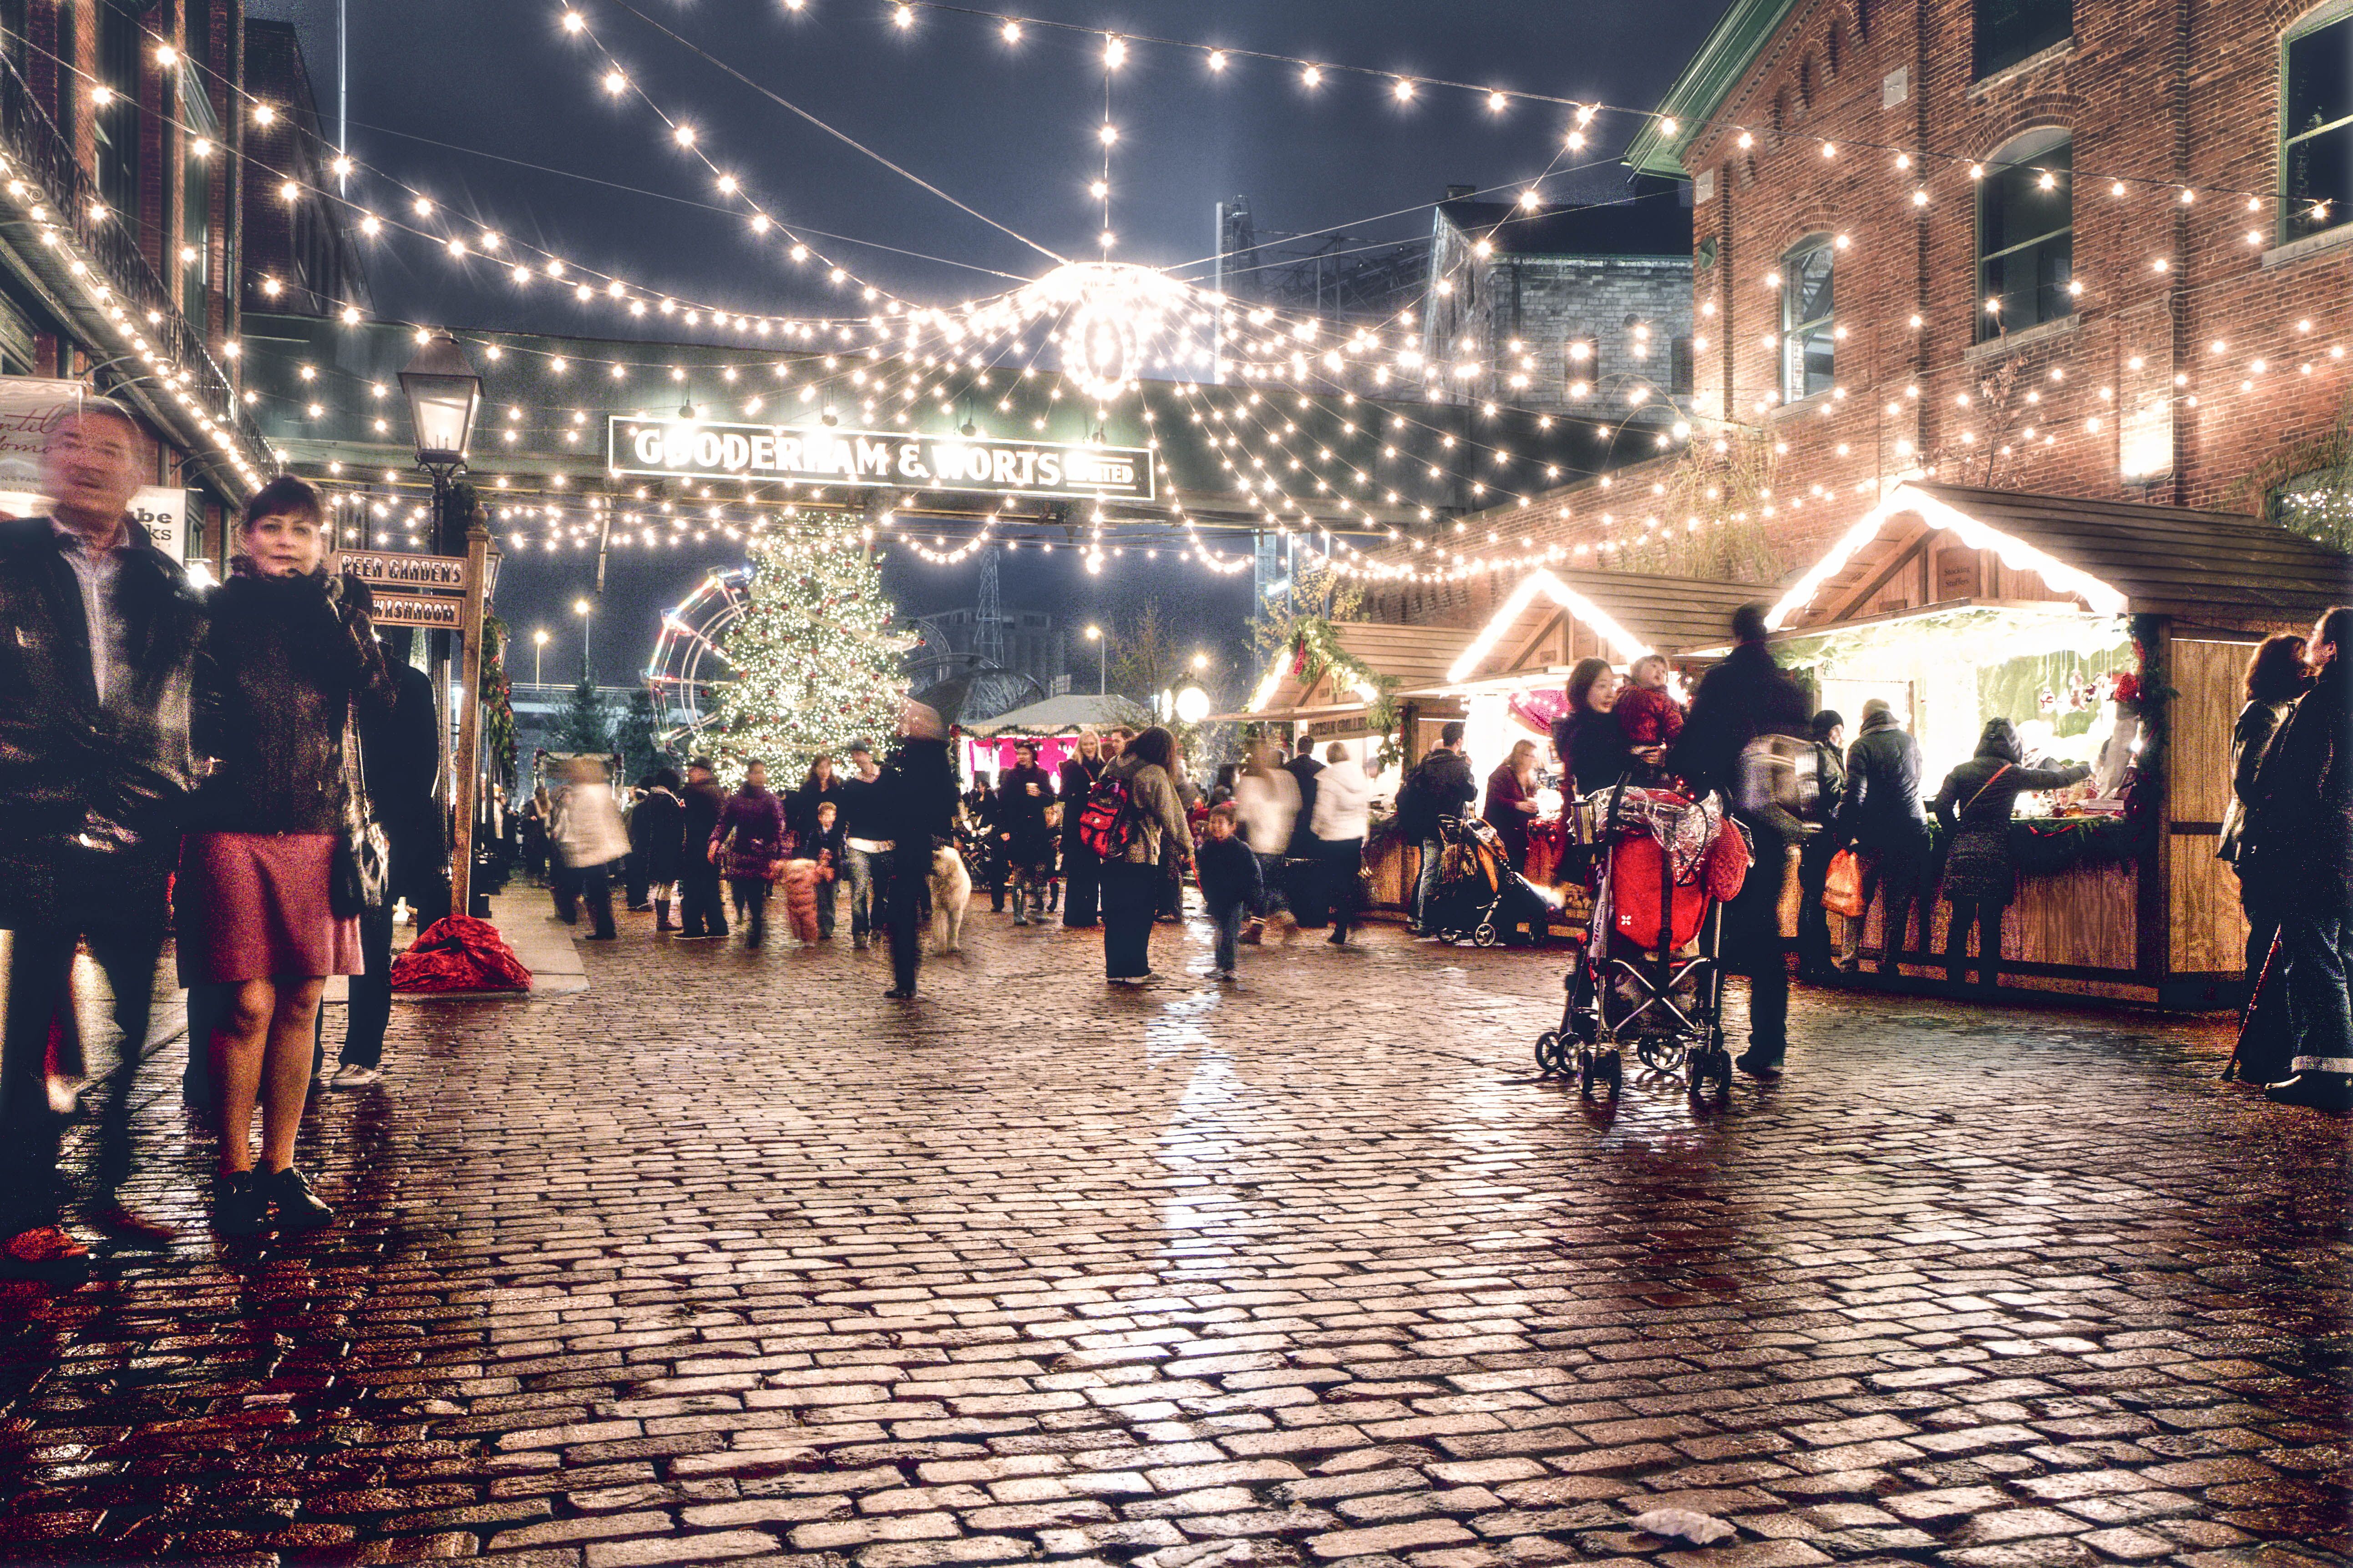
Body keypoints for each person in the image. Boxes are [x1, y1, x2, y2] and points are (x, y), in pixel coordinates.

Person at [0, 400, 206, 1278]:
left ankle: (108, 1185)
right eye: (71, 443)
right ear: (47, 463)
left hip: (138, 823)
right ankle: (25, 1213)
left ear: (139, 472)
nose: (87, 459)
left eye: (109, 448)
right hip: (35, 815)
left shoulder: (163, 582)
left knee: (133, 1018)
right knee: (34, 1022)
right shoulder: (8, 560)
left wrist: (173, 794)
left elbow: (189, 703)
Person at [178, 475, 395, 1237]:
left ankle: (283, 1163)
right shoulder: (210, 615)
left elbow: (378, 692)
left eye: (302, 530)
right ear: (246, 537)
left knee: (303, 1000)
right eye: (271, 526)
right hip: (228, 822)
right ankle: (233, 1168)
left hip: (318, 823)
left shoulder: (341, 613)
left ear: (323, 543)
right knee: (247, 1002)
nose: (285, 540)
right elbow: (181, 715)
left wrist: (340, 606)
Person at [1668, 603, 1810, 1077]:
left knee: (1718, 927)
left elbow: (1692, 749)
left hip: (1728, 823)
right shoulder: (1789, 689)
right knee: (1766, 932)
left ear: (1734, 632)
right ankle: (1769, 1042)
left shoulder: (1723, 682)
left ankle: (1711, 1033)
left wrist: (1690, 773)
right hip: (1774, 823)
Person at [2243, 607, 2353, 1110]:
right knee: (2338, 955)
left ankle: (2322, 1070)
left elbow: (2293, 784)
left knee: (2314, 959)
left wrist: (2277, 836)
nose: (2309, 643)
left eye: (2315, 636)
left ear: (2331, 648)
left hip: (2315, 850)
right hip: (2342, 849)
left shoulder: (2323, 702)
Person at [335, 625, 447, 1090]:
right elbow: (426, 769)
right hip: (377, 830)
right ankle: (356, 1054)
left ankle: (346, 1050)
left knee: (360, 946)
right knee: (367, 948)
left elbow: (424, 768)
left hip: (367, 830)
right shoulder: (410, 681)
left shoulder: (398, 681)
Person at [1930, 718, 2092, 996]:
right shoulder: (2012, 773)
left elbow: (1942, 806)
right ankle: (1987, 987)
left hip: (1962, 852)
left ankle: (1954, 984)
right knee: (1991, 923)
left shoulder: (1960, 771)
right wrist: (2085, 769)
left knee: (1960, 922)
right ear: (2013, 745)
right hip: (1995, 854)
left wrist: (1957, 832)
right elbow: (2056, 780)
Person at [2219, 635, 2310, 986]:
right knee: (2268, 932)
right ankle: (2257, 1025)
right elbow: (2249, 781)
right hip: (2260, 837)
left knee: (2272, 931)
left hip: (2262, 834)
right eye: (2303, 666)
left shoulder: (2281, 708)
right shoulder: (2267, 712)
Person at [1838, 698, 1932, 976]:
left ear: (1865, 719)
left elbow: (1855, 794)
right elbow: (1915, 781)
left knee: (1859, 896)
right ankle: (1889, 962)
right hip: (1911, 830)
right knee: (1898, 899)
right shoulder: (1909, 741)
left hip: (1874, 833)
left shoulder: (1861, 746)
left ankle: (1849, 960)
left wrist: (1844, 833)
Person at [875, 703, 960, 1000]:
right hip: (906, 843)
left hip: (913, 844)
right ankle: (905, 978)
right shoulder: (912, 752)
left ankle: (906, 979)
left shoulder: (930, 757)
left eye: (916, 719)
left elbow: (943, 802)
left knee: (901, 911)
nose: (910, 722)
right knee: (900, 911)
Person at [1100, 726, 1195, 984]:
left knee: (1116, 913)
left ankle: (1116, 971)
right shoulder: (1153, 773)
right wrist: (1188, 846)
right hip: (1138, 851)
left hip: (1108, 851)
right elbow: (1172, 814)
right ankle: (1136, 971)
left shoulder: (1113, 764)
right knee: (1139, 912)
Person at [1403, 723, 1477, 935]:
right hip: (1452, 830)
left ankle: (1424, 922)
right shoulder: (1460, 766)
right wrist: (1469, 769)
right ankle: (1450, 920)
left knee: (1429, 872)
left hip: (1428, 827)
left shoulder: (1427, 764)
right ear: (1459, 741)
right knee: (1454, 874)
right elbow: (1471, 795)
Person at [1794, 711, 1848, 983]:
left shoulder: (1831, 754)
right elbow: (1808, 795)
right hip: (1817, 836)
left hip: (1826, 835)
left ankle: (1819, 961)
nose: (1842, 735)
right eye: (1839, 729)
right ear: (1832, 730)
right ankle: (1812, 963)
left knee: (1817, 900)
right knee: (1813, 899)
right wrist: (1820, 827)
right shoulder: (1811, 751)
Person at [554, 756, 629, 940]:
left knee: (586, 890)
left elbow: (588, 823)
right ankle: (603, 928)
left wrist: (581, 848)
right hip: (600, 850)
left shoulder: (588, 793)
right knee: (598, 892)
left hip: (591, 851)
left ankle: (594, 925)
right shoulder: (600, 790)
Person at [714, 759, 787, 948]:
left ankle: (756, 928)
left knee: (756, 894)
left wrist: (779, 853)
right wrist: (715, 841)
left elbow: (779, 828)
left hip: (761, 852)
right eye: (756, 773)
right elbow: (725, 822)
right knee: (738, 889)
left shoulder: (771, 800)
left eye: (762, 773)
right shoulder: (737, 799)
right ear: (749, 775)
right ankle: (741, 910)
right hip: (741, 851)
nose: (760, 776)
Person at [1233, 740, 1302, 939]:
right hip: (1279, 843)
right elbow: (1295, 809)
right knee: (1268, 886)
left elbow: (1243, 818)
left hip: (1259, 844)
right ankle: (1258, 929)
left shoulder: (1250, 782)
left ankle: (1283, 915)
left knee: (1260, 888)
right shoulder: (1287, 779)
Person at [1310, 743, 1375, 946]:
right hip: (1355, 837)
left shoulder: (1329, 778)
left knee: (1336, 885)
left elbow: (1324, 811)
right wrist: (1364, 833)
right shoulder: (1359, 775)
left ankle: (1341, 928)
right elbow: (1365, 808)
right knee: (1349, 881)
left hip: (1334, 838)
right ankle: (1349, 918)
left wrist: (1316, 829)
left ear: (1330, 757)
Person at [1196, 802, 1263, 981]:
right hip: (1217, 898)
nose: (1215, 826)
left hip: (1234, 899)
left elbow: (1251, 875)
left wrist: (1249, 898)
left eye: (1221, 822)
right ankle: (1221, 965)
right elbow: (1205, 874)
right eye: (1212, 822)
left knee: (1229, 932)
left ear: (1232, 827)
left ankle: (1229, 967)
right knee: (1220, 932)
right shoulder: (1208, 848)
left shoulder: (1241, 849)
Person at [1552, 658, 1637, 795]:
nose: (1610, 694)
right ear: (1582, 689)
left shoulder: (1616, 721)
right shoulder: (1581, 731)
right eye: (1602, 686)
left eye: (1612, 686)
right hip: (1606, 810)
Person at [997, 742, 1057, 925]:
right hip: (1019, 826)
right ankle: (1019, 912)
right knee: (1020, 869)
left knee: (1040, 868)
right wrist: (1004, 829)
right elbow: (1003, 802)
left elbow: (1051, 799)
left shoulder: (1042, 774)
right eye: (1019, 753)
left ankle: (1039, 909)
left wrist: (1040, 794)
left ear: (1032, 755)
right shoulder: (1011, 775)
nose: (1021, 757)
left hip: (1038, 827)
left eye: (1025, 753)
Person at [838, 740, 887, 950]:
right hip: (858, 842)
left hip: (886, 844)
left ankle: (877, 925)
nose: (857, 758)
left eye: (860, 753)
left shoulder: (889, 778)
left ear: (869, 755)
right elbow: (844, 815)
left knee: (882, 891)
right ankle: (859, 931)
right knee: (859, 890)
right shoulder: (850, 786)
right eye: (854, 755)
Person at [1060, 729, 1108, 928]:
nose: (1089, 748)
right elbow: (1063, 794)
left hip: (1096, 824)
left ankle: (1088, 914)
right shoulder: (1072, 766)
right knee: (1077, 869)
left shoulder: (1104, 767)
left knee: (1093, 870)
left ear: (1097, 745)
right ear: (1081, 746)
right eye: (1086, 744)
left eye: (1092, 744)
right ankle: (1073, 915)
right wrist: (1084, 792)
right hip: (1077, 823)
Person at [677, 758, 729, 940]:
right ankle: (718, 926)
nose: (689, 773)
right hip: (710, 846)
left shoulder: (696, 792)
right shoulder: (716, 791)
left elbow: (687, 818)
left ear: (704, 772)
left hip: (697, 845)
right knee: (710, 888)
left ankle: (693, 928)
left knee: (692, 888)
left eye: (693, 770)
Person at [630, 768, 686, 934]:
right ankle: (663, 920)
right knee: (667, 884)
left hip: (651, 848)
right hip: (667, 848)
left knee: (662, 885)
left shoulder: (649, 800)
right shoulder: (668, 801)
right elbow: (674, 828)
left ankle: (662, 919)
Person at [1616, 654, 1685, 781]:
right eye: (1654, 666)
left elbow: (1676, 733)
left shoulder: (1665, 701)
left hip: (1648, 760)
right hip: (1620, 756)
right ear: (1638, 670)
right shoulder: (1623, 694)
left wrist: (1666, 757)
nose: (1659, 672)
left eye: (1664, 671)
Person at [1283, 732, 1327, 927]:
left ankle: (1295, 910)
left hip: (1293, 827)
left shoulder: (1287, 770)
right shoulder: (1322, 770)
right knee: (1314, 870)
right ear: (1312, 749)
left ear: (1298, 748)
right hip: (1314, 828)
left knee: (1293, 870)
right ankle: (1313, 914)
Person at [1482, 738, 1542, 874]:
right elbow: (1493, 800)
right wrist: (1517, 805)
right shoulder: (1503, 773)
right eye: (1531, 756)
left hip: (1518, 837)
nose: (1534, 760)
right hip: (1501, 836)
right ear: (1521, 755)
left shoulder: (1528, 776)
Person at [964, 770, 1007, 913]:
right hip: (1003, 834)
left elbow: (987, 812)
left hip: (996, 834)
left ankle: (998, 902)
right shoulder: (995, 794)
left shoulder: (992, 794)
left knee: (997, 870)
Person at [806, 798, 845, 939]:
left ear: (835, 817)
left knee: (831, 899)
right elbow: (809, 851)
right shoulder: (814, 833)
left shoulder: (839, 834)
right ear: (820, 818)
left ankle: (829, 927)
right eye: (826, 816)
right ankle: (823, 927)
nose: (829, 819)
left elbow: (842, 853)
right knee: (821, 898)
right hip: (818, 871)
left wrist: (837, 867)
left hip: (834, 872)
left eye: (831, 815)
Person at [791, 754, 845, 850]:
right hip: (811, 832)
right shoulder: (808, 789)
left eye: (827, 767)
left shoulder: (836, 789)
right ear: (815, 769)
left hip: (832, 831)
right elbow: (802, 811)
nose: (825, 771)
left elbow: (841, 813)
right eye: (821, 768)